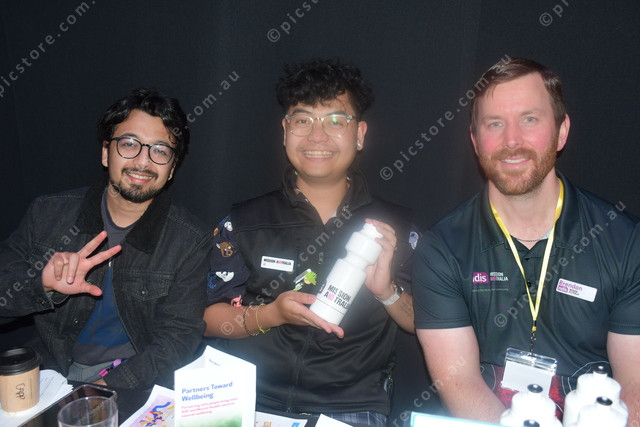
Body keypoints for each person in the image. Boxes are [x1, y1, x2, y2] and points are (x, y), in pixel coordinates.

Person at [413, 57, 640, 424]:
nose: (511, 140)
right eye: (494, 124)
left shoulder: (626, 242)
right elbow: (458, 381)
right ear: (475, 141)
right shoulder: (442, 248)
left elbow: (635, 382)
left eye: (529, 119)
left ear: (561, 131)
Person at [203, 59, 418, 427]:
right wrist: (271, 314)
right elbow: (208, 319)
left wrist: (387, 292)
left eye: (335, 121)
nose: (317, 136)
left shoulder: (394, 228)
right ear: (285, 130)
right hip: (248, 395)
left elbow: (424, 324)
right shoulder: (245, 220)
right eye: (303, 121)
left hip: (350, 405)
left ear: (360, 134)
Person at [0, 88, 211, 390]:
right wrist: (42, 285)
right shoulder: (47, 214)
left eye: (160, 150)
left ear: (172, 168)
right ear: (105, 152)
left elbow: (178, 340)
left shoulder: (189, 240)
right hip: (49, 375)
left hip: (132, 382)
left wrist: (98, 394)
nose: (143, 161)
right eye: (129, 144)